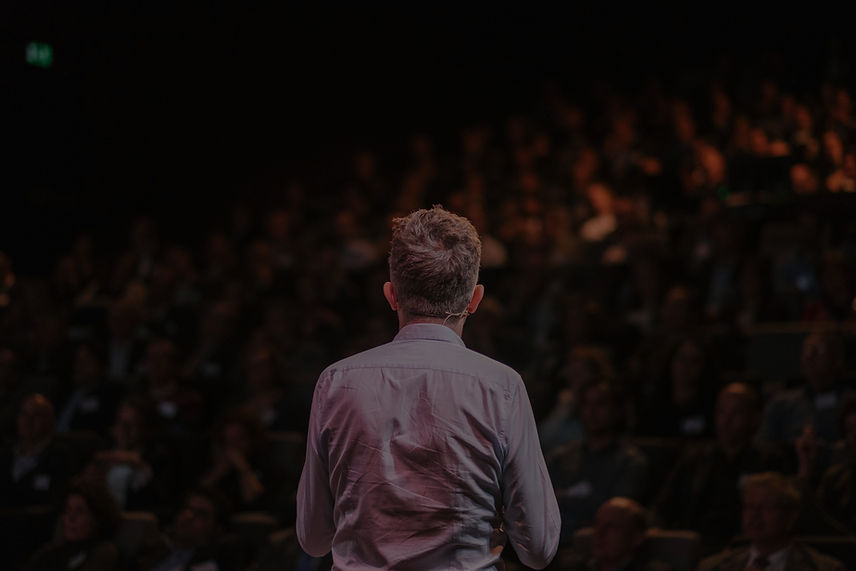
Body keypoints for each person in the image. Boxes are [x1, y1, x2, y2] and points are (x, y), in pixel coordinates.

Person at [297, 206, 560, 569]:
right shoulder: (501, 387)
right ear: (475, 300)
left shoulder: (336, 382)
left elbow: (313, 538)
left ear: (391, 295)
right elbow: (539, 547)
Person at [653, 383, 785, 555]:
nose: (726, 420)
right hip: (695, 545)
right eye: (722, 412)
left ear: (755, 418)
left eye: (736, 413)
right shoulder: (695, 458)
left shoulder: (768, 461)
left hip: (746, 548)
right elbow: (663, 507)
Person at [546, 379, 647, 544]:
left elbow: (615, 515)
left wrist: (564, 499)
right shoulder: (562, 456)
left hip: (599, 543)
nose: (591, 411)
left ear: (617, 410)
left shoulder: (630, 461)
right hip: (551, 541)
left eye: (600, 404)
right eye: (586, 404)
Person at [698, 472, 845, 571]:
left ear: (791, 516)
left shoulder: (824, 568)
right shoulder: (712, 567)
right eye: (749, 506)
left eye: (767, 507)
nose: (754, 515)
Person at [24, 480, 121, 571]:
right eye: (68, 510)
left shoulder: (104, 553)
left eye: (80, 511)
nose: (71, 518)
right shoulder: (48, 554)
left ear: (98, 517)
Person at [558, 497, 671, 571]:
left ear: (636, 538)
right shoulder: (571, 568)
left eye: (611, 527)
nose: (599, 533)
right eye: (597, 524)